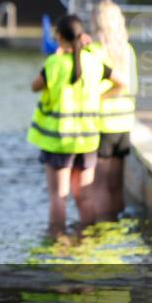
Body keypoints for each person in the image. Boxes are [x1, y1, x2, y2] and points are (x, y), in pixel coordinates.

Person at [27, 14, 124, 238]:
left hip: (58, 141)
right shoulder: (94, 62)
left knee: (58, 196)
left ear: (58, 37)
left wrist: (58, 54)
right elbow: (120, 82)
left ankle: (58, 243)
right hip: (88, 140)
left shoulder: (54, 64)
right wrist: (101, 97)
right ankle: (85, 241)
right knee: (84, 196)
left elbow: (35, 86)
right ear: (82, 36)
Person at [86, 0, 138, 220]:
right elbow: (132, 85)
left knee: (99, 186)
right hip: (124, 123)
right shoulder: (128, 50)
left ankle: (101, 232)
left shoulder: (94, 52)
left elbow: (90, 88)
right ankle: (116, 229)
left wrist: (97, 97)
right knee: (116, 185)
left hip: (103, 124)